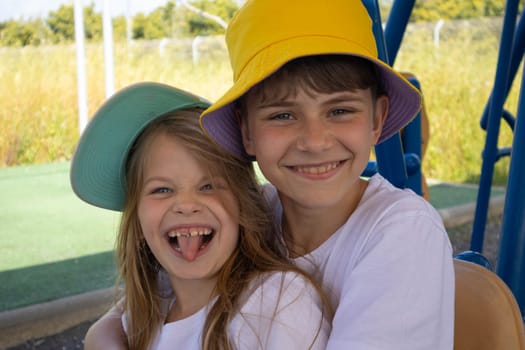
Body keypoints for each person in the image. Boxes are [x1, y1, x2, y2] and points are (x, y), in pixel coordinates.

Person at [87, 0, 455, 348]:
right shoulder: (253, 211)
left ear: (376, 120)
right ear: (247, 131)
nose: (314, 141)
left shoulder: (403, 231)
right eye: (283, 115)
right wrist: (102, 336)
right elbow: (150, 297)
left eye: (339, 110)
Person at [70, 82, 331, 349]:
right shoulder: (138, 319)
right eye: (161, 189)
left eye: (207, 186)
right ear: (136, 221)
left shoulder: (278, 302)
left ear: (244, 204)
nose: (185, 205)